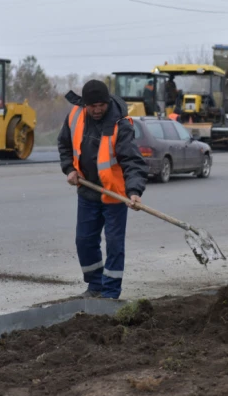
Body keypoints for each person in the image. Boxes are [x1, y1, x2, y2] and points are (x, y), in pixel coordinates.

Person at [57, 80, 148, 299]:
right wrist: (69, 169)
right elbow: (64, 145)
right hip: (87, 193)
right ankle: (95, 285)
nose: (97, 110)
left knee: (115, 244)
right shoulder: (75, 116)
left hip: (114, 195)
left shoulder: (120, 123)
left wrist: (134, 191)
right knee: (84, 241)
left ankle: (110, 293)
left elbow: (132, 161)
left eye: (101, 105)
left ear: (107, 102)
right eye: (92, 106)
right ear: (85, 104)